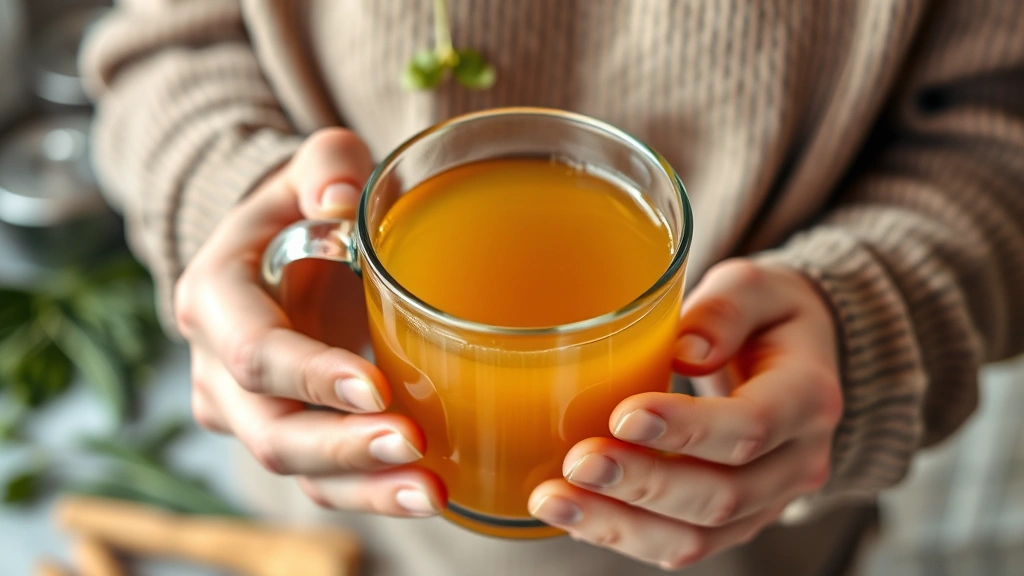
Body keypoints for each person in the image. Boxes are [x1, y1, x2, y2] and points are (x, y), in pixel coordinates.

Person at [81, 1, 1024, 574]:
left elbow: (1000, 130)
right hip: (348, 517)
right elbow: (171, 37)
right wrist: (232, 208)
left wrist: (865, 315)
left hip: (751, 543)